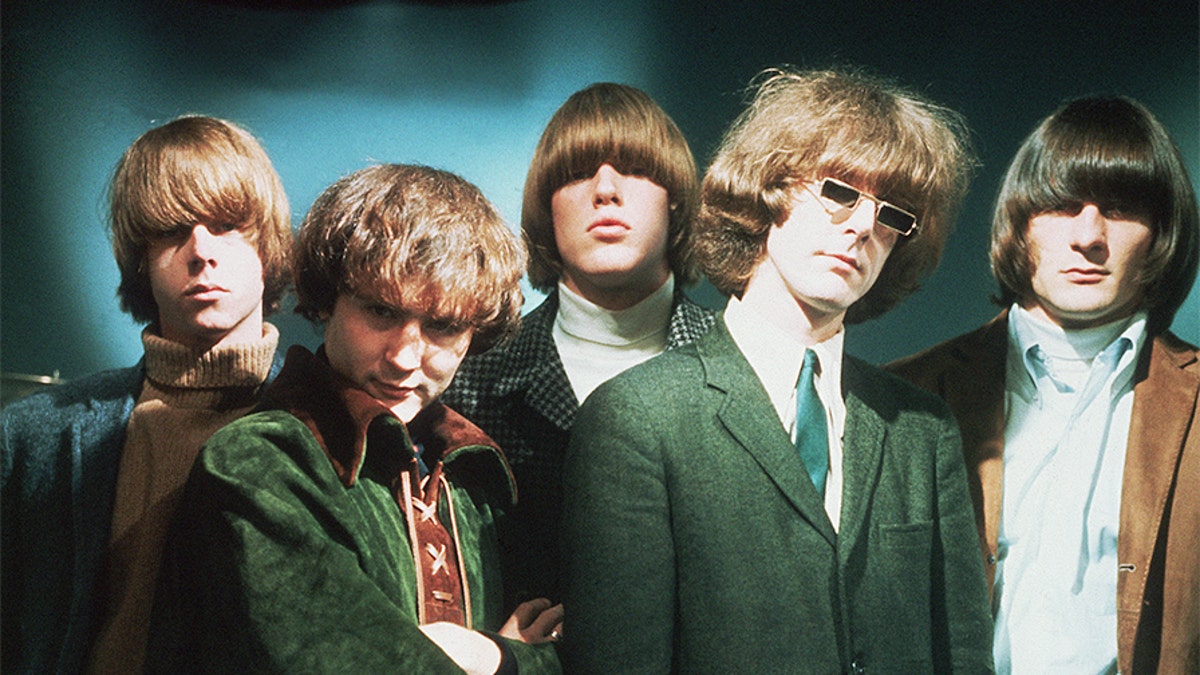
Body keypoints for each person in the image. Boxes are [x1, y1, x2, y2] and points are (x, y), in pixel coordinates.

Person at [561, 67, 994, 673]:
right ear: (769, 190)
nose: (864, 225)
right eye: (840, 191)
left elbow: (963, 656)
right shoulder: (637, 417)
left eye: (893, 214)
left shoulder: (923, 430)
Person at [147, 164, 562, 674]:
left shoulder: (476, 477)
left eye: (443, 326)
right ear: (328, 302)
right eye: (382, 312)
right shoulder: (257, 462)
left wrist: (489, 655)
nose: (406, 358)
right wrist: (506, 660)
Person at [888, 96, 1199, 674]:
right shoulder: (902, 398)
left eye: (1122, 208)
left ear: (1162, 236)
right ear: (1019, 226)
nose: (1089, 235)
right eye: (1060, 206)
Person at [0, 115, 291, 673]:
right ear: (140, 257)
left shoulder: (327, 425)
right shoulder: (34, 434)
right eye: (171, 229)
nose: (201, 251)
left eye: (227, 224)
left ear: (268, 245)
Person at [442, 82, 715, 609]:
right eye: (576, 173)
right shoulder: (466, 380)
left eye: (634, 168)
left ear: (676, 200)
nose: (605, 190)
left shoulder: (748, 369)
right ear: (546, 209)